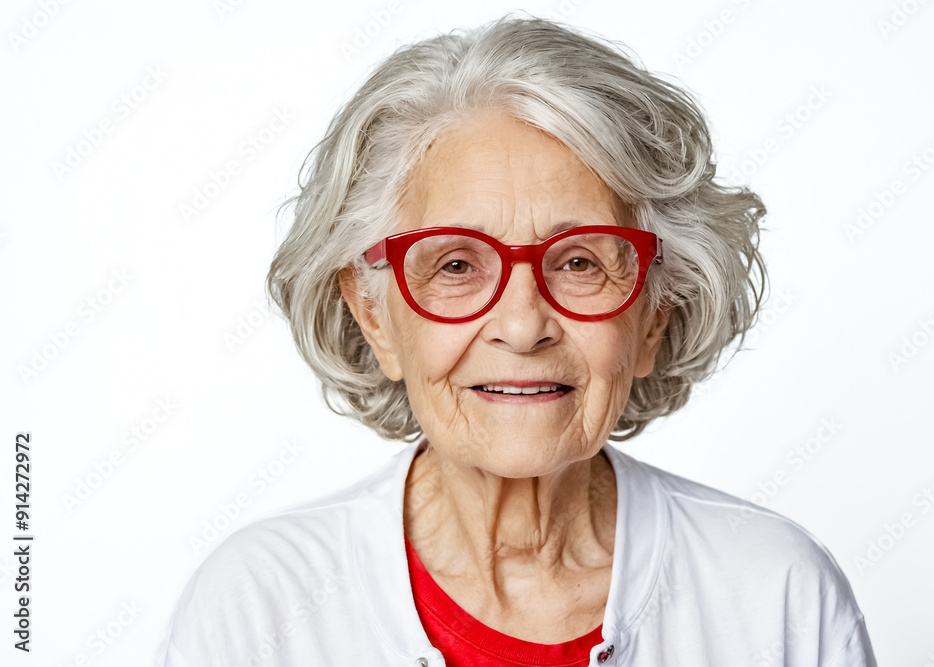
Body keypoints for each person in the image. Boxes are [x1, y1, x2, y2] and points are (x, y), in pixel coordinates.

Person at [157, 15, 877, 666]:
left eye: (580, 262)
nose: (524, 324)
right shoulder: (253, 611)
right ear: (375, 315)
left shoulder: (778, 596)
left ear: (655, 313)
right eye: (457, 265)